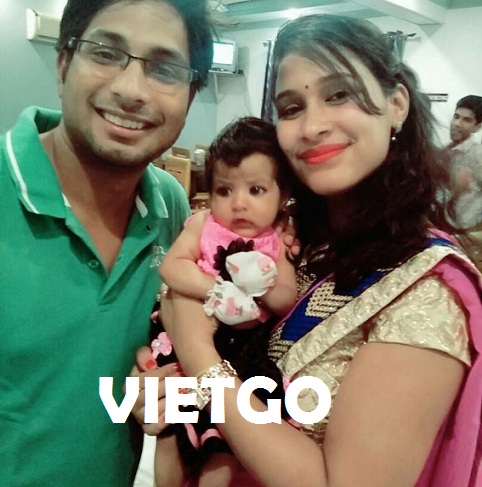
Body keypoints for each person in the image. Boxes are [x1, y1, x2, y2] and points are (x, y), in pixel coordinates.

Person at [132, 14, 482, 487]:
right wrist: (164, 397)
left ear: (396, 104)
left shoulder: (428, 293)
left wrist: (198, 358)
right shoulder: (304, 242)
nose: (312, 125)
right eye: (292, 107)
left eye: (339, 95)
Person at [0, 1, 214, 486]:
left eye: (164, 69)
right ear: (63, 64)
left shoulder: (170, 206)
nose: (131, 90)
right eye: (105, 53)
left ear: (190, 95)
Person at [152, 116, 298, 487]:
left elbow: (286, 297)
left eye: (256, 190)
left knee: (227, 445)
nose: (239, 203)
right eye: (224, 190)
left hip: (243, 352)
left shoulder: (276, 241)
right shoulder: (204, 225)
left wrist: (259, 287)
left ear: (282, 195)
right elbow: (172, 266)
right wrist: (216, 289)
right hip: (186, 340)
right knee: (169, 430)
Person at [447, 95, 482, 230]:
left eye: (466, 120)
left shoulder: (478, 154)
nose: (457, 123)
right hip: (443, 227)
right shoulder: (446, 150)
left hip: (464, 232)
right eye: (456, 117)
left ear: (477, 127)